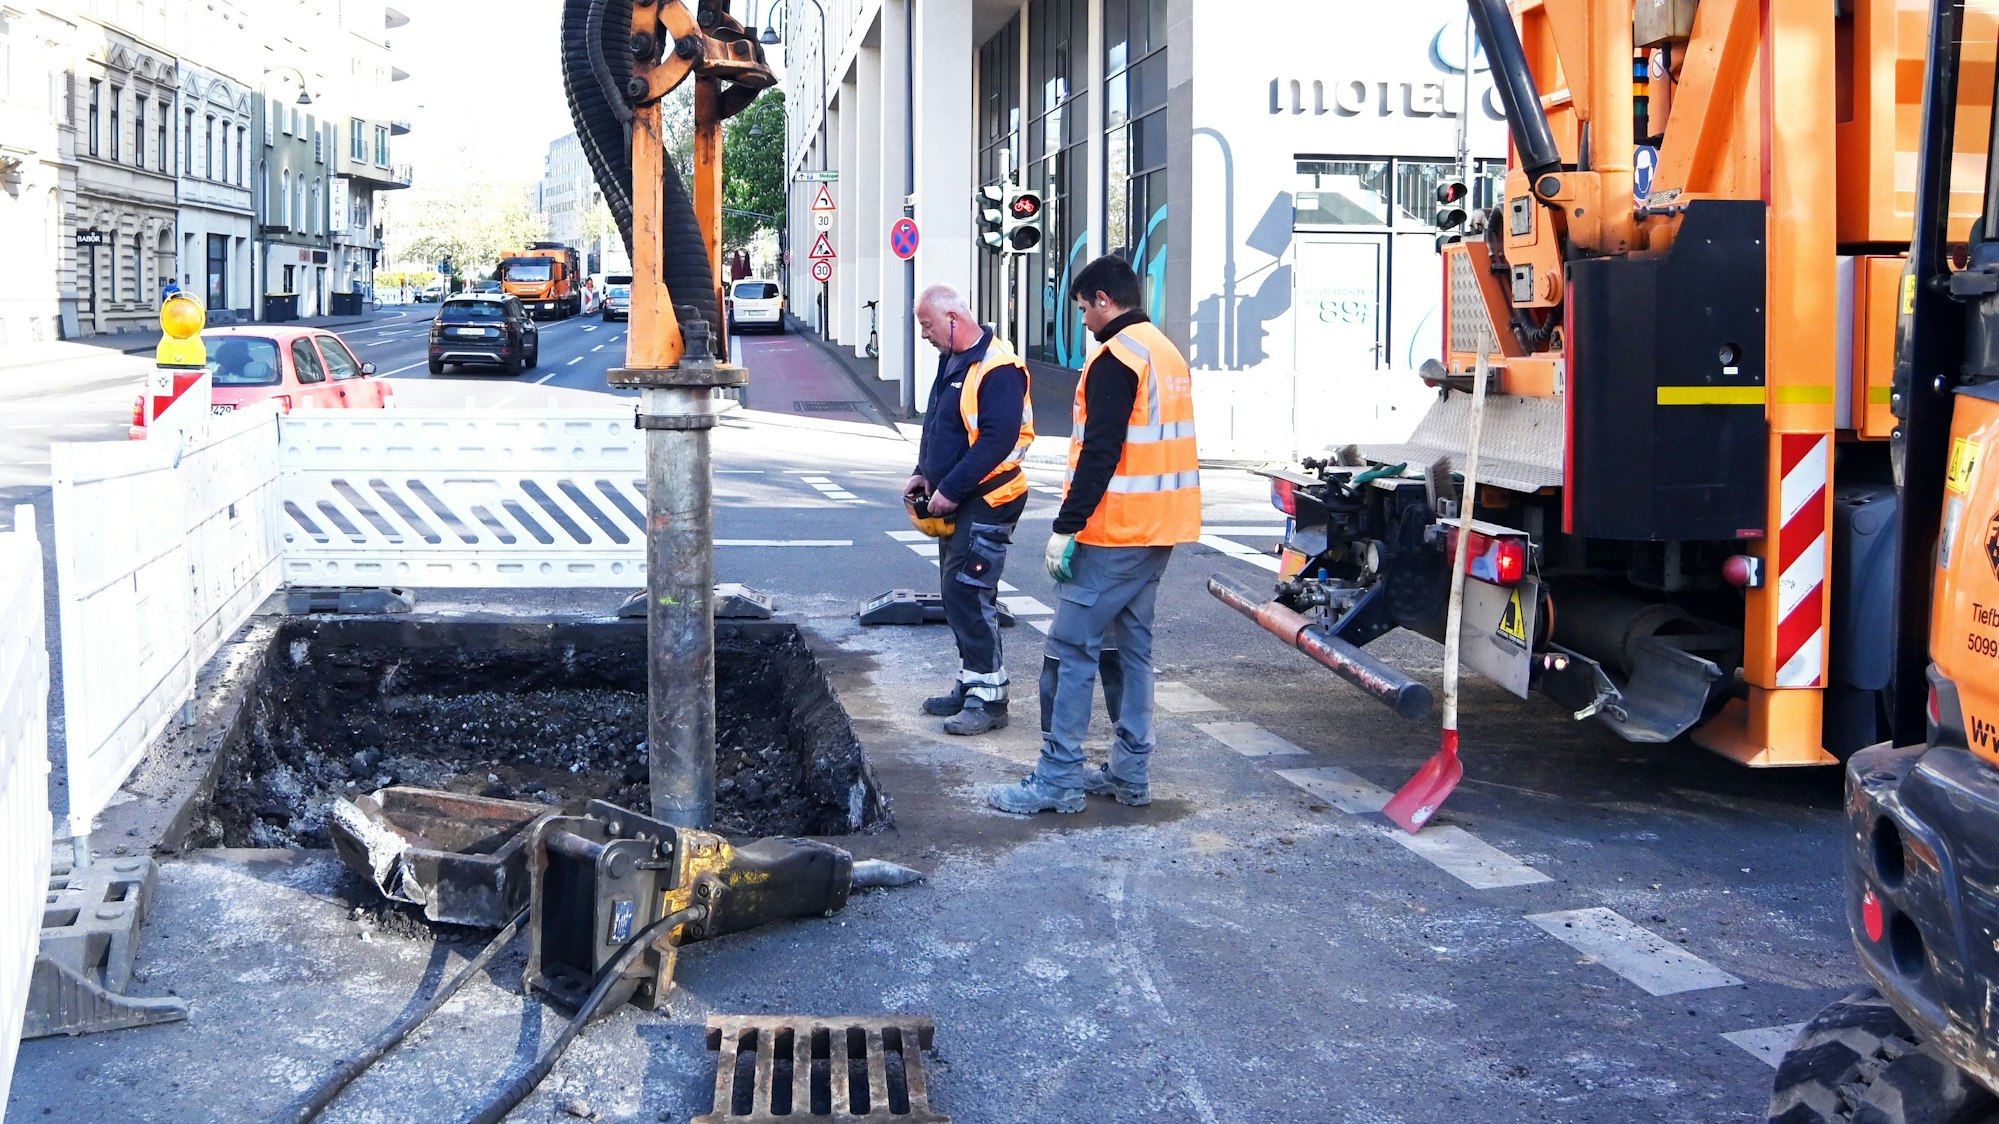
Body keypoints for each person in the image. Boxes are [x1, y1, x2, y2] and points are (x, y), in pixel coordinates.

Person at [989, 254, 1201, 815]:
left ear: (1105, 300)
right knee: (1132, 649)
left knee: (1068, 650)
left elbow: (1101, 451)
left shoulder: (1117, 357)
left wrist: (1066, 527)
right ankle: (1131, 775)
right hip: (1159, 528)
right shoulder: (1163, 350)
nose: (1082, 320)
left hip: (1116, 531)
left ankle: (1057, 780)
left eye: (1084, 308)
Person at [905, 283, 1035, 736]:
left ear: (953, 319)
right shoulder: (955, 360)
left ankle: (989, 698)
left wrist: (952, 489)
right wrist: (924, 471)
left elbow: (996, 443)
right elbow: (939, 421)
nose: (924, 334)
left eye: (927, 325)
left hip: (990, 498)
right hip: (963, 496)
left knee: (968, 592)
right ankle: (972, 681)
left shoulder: (999, 368)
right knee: (956, 591)